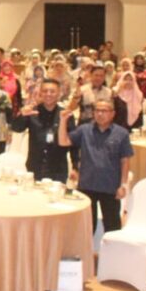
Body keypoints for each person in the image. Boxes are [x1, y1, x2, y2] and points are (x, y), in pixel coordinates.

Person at [58, 99, 134, 236]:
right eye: (97, 110)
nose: (100, 114)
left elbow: (125, 160)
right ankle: (86, 250)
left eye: (104, 111)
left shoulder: (121, 133)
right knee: (86, 227)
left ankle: (112, 250)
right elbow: (63, 142)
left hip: (110, 186)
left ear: (113, 114)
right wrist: (63, 121)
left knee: (112, 227)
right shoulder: (84, 130)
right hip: (87, 185)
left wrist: (123, 185)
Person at [12, 79, 76, 183]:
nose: (48, 94)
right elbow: (16, 128)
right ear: (40, 93)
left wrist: (75, 167)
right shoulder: (32, 112)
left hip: (58, 169)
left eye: (52, 91)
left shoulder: (65, 115)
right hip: (35, 167)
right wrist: (21, 115)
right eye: (45, 91)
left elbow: (73, 143)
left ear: (59, 93)